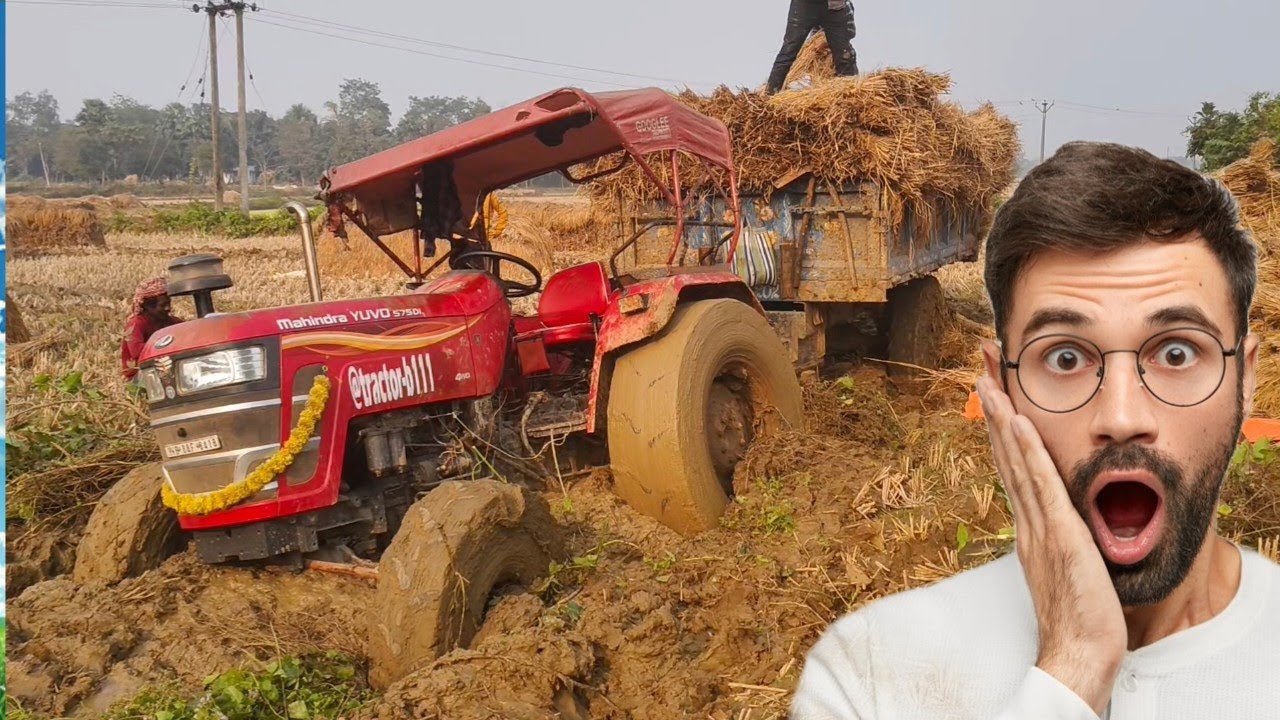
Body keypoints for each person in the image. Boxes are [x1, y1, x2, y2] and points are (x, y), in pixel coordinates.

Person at [791, 142, 1280, 719]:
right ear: (1001, 389)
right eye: (1066, 358)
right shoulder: (866, 677)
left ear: (1245, 381)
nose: (1122, 418)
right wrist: (1072, 668)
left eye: (1177, 353)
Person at [766, 0, 858, 95]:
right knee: (789, 50)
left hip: (834, 6)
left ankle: (850, 95)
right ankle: (770, 94)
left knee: (844, 54)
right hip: (805, 5)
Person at [120, 277, 183, 383]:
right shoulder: (135, 325)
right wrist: (168, 346)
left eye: (168, 303)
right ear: (148, 307)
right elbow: (136, 352)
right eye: (162, 305)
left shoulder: (172, 321)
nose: (168, 308)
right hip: (140, 374)